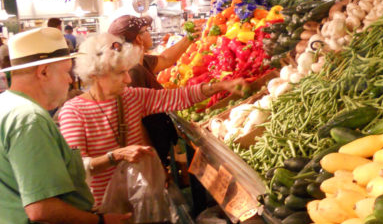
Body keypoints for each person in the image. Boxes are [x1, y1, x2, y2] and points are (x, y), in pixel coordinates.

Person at [58, 33, 247, 206]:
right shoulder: (73, 113)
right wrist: (115, 156)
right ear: (95, 75)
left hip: (140, 200)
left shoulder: (131, 97)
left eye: (127, 71)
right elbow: (76, 169)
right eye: (120, 73)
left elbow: (178, 98)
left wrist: (221, 86)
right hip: (102, 210)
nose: (128, 79)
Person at [0, 27, 129, 224]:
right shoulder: (29, 119)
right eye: (66, 72)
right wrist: (100, 223)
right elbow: (42, 209)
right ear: (44, 72)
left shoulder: (6, 104)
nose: (71, 80)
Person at [107, 15, 202, 164]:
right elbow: (136, 122)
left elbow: (166, 59)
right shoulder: (132, 72)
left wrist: (189, 38)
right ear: (139, 38)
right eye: (147, 30)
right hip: (148, 150)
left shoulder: (140, 61)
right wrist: (151, 159)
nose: (150, 33)